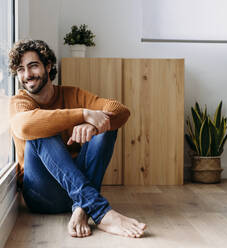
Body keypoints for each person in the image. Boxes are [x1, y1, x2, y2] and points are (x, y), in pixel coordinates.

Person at [8, 39, 147, 238]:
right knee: (38, 132)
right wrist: (83, 114)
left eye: (33, 66)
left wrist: (93, 123)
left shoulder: (72, 94)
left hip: (77, 188)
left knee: (105, 125)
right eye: (21, 69)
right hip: (43, 195)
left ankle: (82, 208)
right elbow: (24, 125)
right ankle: (100, 211)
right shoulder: (20, 102)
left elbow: (120, 110)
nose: (27, 75)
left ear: (48, 66)